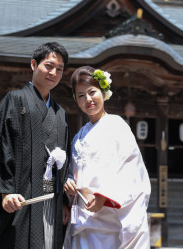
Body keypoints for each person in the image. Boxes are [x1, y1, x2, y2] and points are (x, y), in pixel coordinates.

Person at [0, 42, 71, 249]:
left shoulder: (61, 114)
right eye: (49, 66)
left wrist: (64, 201)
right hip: (20, 196)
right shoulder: (15, 100)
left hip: (50, 199)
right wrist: (5, 191)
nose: (54, 73)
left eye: (60, 69)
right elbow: (0, 146)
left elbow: (65, 157)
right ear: (33, 65)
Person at [64, 66, 151, 249]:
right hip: (83, 218)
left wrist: (104, 197)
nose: (88, 99)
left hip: (111, 219)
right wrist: (69, 181)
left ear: (103, 92)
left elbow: (131, 170)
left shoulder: (117, 125)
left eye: (92, 92)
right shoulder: (79, 136)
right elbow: (75, 171)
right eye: (80, 95)